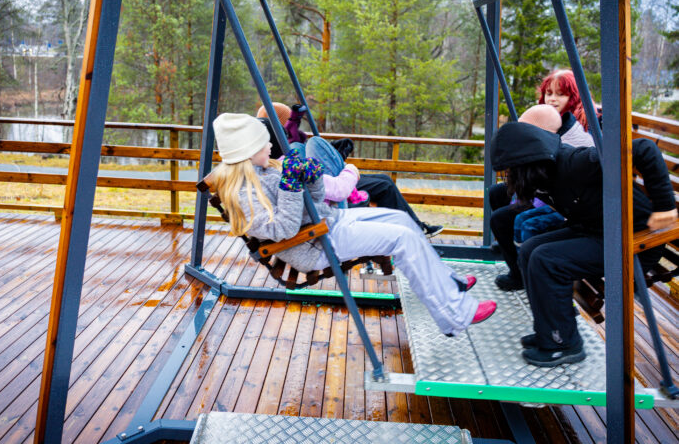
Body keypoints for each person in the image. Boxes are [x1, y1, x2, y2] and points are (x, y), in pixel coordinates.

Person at [210, 113, 497, 336]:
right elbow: (283, 229)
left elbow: (314, 200)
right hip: (313, 243)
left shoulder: (266, 170)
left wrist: (312, 179)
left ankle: (448, 282)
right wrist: (291, 186)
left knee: (401, 220)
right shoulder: (243, 194)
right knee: (402, 239)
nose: (271, 145)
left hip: (327, 223)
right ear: (248, 150)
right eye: (264, 142)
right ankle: (455, 315)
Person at [490, 121, 676, 366]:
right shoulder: (544, 174)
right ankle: (550, 331)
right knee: (529, 250)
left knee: (547, 260)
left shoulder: (577, 162)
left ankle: (564, 344)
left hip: (633, 241)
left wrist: (665, 207)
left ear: (528, 162)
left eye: (512, 168)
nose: (510, 175)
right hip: (597, 230)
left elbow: (643, 148)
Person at [257, 103, 444, 237]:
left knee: (384, 180)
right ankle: (411, 232)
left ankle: (416, 227)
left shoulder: (283, 149)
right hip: (332, 193)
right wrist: (347, 169)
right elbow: (324, 182)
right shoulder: (285, 154)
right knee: (384, 186)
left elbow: (312, 162)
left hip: (327, 183)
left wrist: (334, 155)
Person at [491, 83, 596, 291]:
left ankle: (522, 268)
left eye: (561, 94)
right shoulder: (543, 121)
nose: (553, 98)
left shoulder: (571, 135)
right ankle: (514, 258)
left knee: (505, 219)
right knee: (497, 193)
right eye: (549, 93)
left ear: (574, 98)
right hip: (549, 191)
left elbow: (560, 177)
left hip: (564, 200)